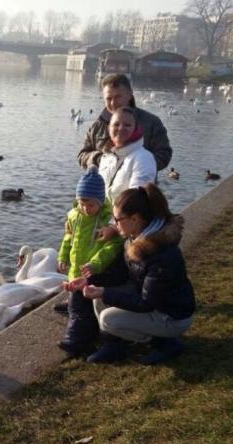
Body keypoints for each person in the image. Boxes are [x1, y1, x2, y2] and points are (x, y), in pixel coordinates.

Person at [54, 106, 158, 314]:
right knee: (86, 256)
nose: (121, 129)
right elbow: (94, 192)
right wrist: (76, 215)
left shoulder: (143, 157)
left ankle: (104, 308)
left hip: (126, 225)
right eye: (116, 124)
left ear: (136, 128)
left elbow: (137, 197)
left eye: (127, 124)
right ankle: (80, 297)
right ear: (109, 127)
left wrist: (114, 225)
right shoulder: (107, 156)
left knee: (111, 265)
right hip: (103, 219)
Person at [82, 183, 196, 365]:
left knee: (108, 318)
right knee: (99, 296)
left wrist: (105, 292)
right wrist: (89, 280)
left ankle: (164, 342)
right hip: (154, 303)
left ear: (134, 219)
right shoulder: (134, 239)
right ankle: (114, 345)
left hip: (171, 316)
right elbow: (120, 275)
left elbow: (146, 303)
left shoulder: (161, 254)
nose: (113, 224)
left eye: (117, 219)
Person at [56, 171, 126, 357]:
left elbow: (111, 247)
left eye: (91, 205)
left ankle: (74, 341)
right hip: (76, 271)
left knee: (83, 308)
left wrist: (95, 264)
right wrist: (63, 256)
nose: (86, 209)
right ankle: (82, 339)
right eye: (82, 204)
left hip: (94, 272)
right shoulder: (73, 216)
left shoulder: (106, 222)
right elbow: (68, 238)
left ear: (101, 202)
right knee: (78, 307)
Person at [78, 73, 172, 173]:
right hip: (102, 182)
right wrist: (99, 159)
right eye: (109, 98)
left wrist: (136, 163)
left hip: (139, 181)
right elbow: (82, 155)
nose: (113, 103)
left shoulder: (151, 123)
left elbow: (164, 154)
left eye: (117, 97)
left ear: (130, 94)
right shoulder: (97, 126)